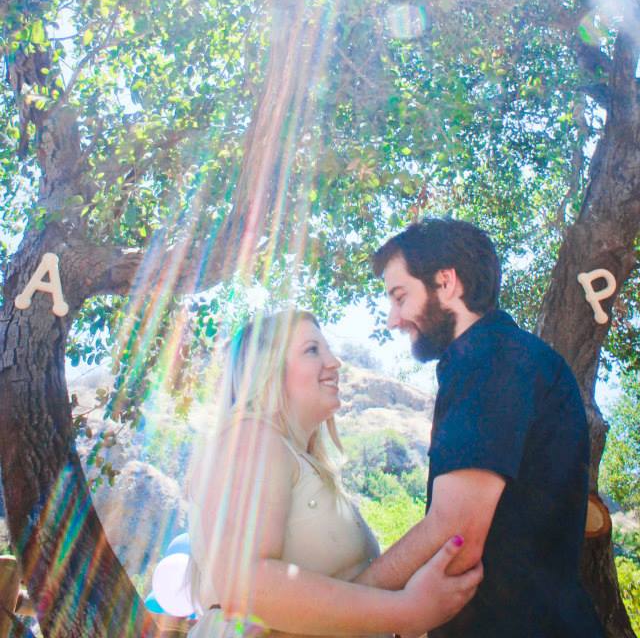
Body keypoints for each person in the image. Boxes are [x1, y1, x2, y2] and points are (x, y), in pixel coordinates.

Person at [357, 218, 604, 638]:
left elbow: (455, 534)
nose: (392, 319)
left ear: (446, 283)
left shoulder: (491, 358)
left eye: (400, 297)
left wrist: (346, 609)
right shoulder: (504, 357)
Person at [187, 309, 482, 638]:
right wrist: (406, 611)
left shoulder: (298, 460)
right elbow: (245, 585)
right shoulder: (249, 437)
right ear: (266, 369)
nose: (335, 363)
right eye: (312, 350)